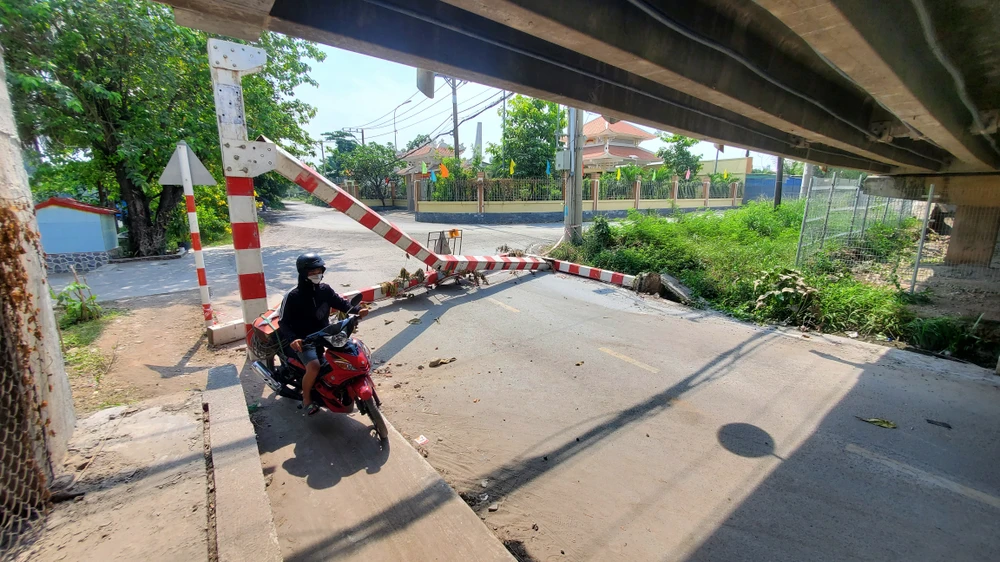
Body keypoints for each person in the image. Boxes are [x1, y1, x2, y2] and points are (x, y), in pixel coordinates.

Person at [278, 253, 367, 415]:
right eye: (312, 272)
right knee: (314, 366)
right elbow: (283, 322)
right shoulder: (292, 296)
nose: (316, 274)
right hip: (304, 340)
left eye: (318, 271)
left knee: (349, 352)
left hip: (325, 334)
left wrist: (357, 310)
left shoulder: (325, 290)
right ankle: (307, 399)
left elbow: (342, 304)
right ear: (303, 273)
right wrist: (293, 339)